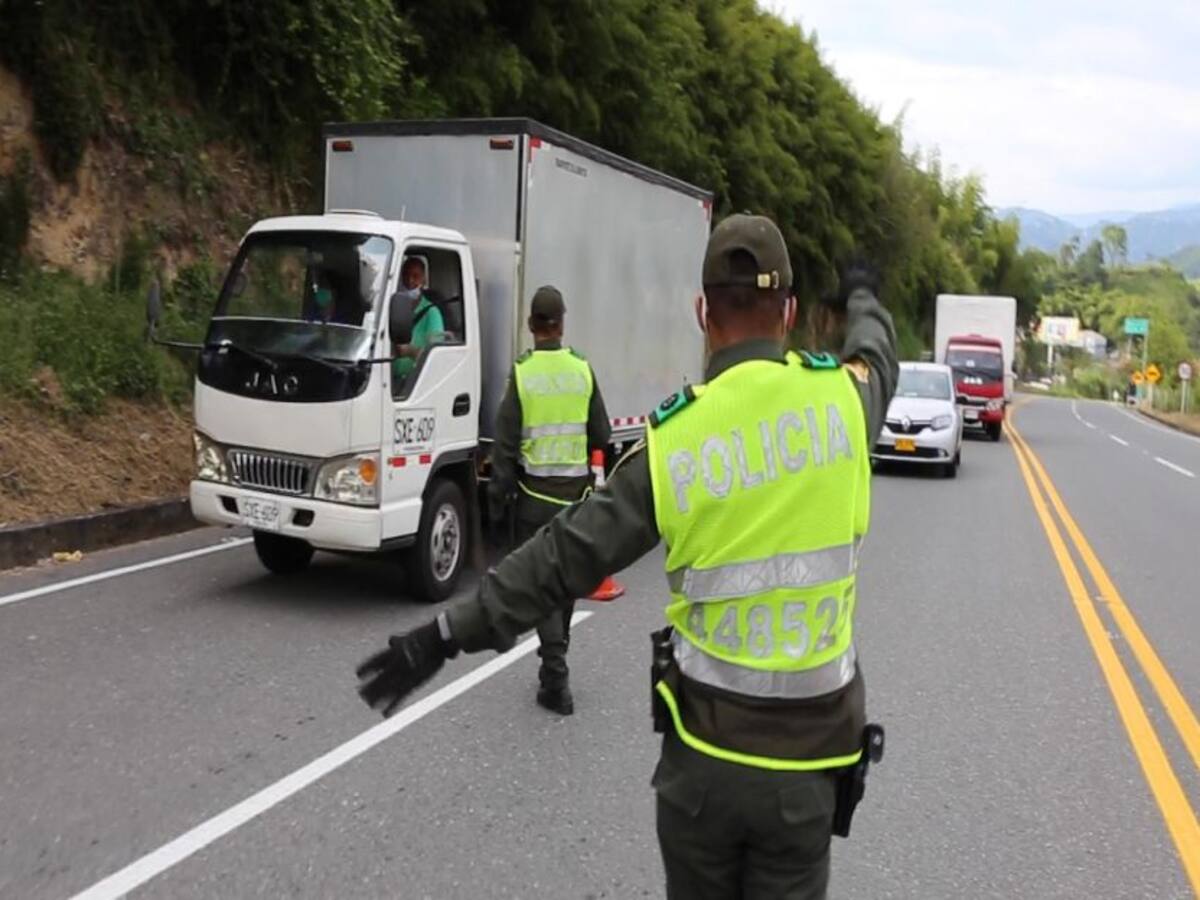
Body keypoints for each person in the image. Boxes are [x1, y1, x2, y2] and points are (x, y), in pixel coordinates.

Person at [357, 214, 898, 899]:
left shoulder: (676, 443)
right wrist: (862, 300)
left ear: (703, 312)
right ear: (788, 312)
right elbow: (878, 356)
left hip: (704, 771)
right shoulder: (844, 404)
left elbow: (559, 558)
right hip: (806, 776)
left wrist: (443, 634)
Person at [488, 285, 611, 715]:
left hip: (533, 498)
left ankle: (555, 676)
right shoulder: (582, 370)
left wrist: (497, 498)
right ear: (561, 322)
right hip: (575, 501)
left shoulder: (522, 374)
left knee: (543, 586)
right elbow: (603, 434)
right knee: (565, 584)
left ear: (531, 326)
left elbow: (504, 446)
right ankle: (553, 669)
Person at [392, 257, 445, 383]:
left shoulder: (432, 313)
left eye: (415, 276)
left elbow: (435, 358)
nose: (410, 281)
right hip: (390, 381)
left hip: (415, 384)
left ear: (423, 279)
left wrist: (409, 350)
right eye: (406, 275)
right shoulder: (393, 307)